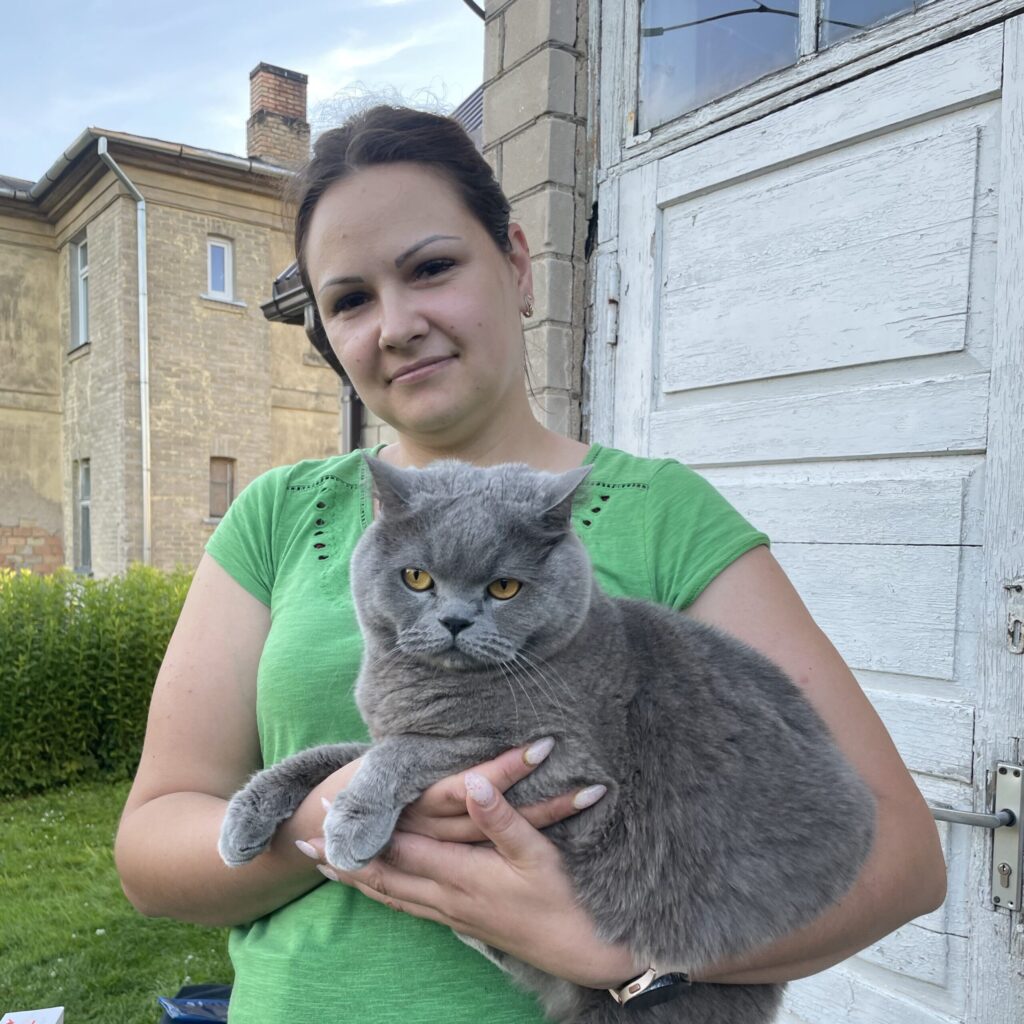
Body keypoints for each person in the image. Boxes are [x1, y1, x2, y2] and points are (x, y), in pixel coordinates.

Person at [115, 106, 947, 1023]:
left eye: (432, 268)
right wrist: (332, 810)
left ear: (515, 263)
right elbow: (155, 853)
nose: (396, 324)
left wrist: (622, 953)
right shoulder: (280, 513)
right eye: (350, 299)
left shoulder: (660, 513)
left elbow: (900, 860)